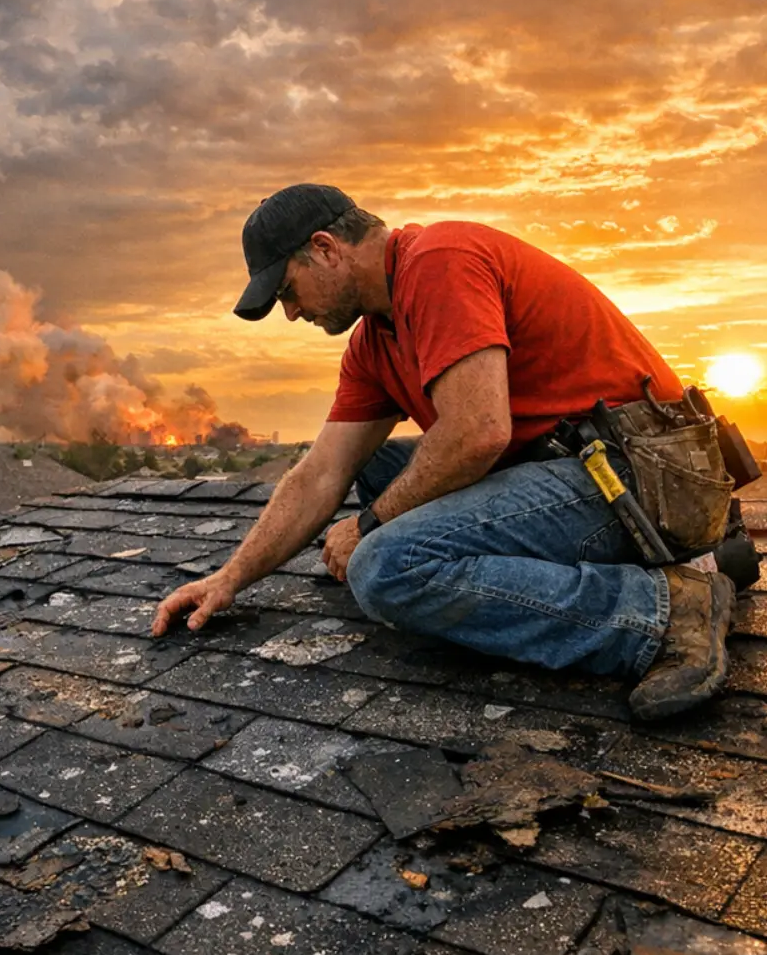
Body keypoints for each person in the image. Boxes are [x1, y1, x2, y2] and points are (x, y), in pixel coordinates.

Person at [150, 184, 735, 720]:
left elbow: (478, 432)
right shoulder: (374, 341)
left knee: (383, 566)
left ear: (325, 249)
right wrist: (228, 579)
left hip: (641, 476)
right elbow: (321, 472)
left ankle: (660, 613)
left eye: (287, 291)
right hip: (568, 468)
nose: (293, 313)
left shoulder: (438, 262)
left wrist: (369, 526)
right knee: (376, 466)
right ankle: (587, 573)